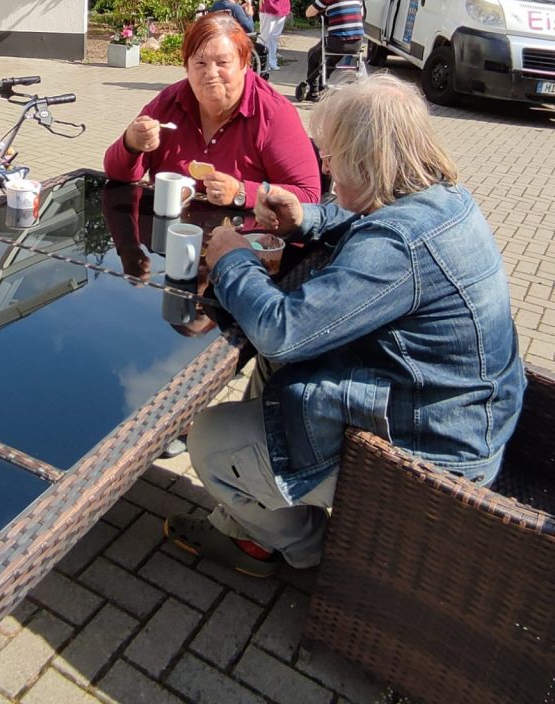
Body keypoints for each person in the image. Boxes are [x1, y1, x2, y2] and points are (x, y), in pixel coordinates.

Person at [164, 74, 526, 577]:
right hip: (457, 412)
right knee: (273, 374)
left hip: (433, 451)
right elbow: (367, 219)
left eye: (331, 154)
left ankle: (307, 548)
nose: (325, 166)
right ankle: (257, 510)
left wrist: (231, 260)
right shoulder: (444, 198)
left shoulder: (399, 247)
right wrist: (305, 218)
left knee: (208, 435)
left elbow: (282, 332)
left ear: (368, 159)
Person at [103, 13, 321, 208]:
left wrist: (243, 192)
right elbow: (117, 174)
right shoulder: (169, 103)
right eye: (200, 63)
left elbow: (309, 196)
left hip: (246, 244)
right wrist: (131, 143)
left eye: (222, 62)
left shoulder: (273, 114)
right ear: (186, 67)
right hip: (171, 239)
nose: (211, 73)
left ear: (244, 64)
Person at [304, 0, 364, 101]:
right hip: (357, 42)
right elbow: (361, 13)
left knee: (313, 54)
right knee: (332, 58)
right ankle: (320, 85)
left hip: (337, 41)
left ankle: (313, 89)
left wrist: (324, 10)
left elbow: (309, 13)